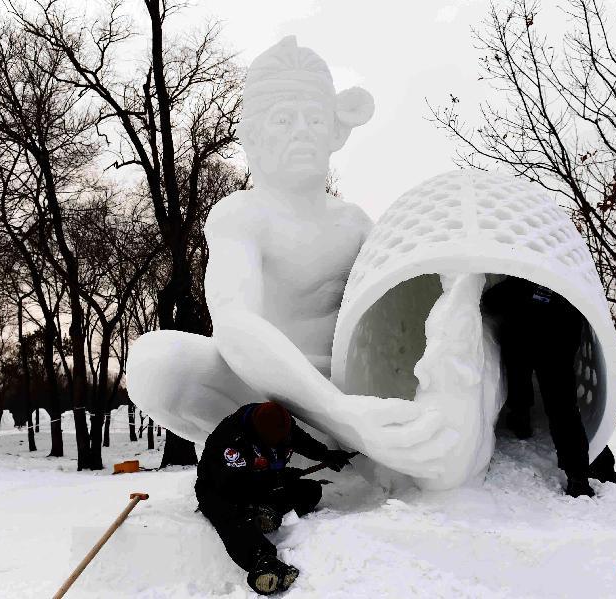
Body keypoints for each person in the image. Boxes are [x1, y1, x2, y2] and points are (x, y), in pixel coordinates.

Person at [126, 36, 453, 480]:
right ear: (252, 136)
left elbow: (407, 310)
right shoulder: (241, 215)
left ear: (336, 133)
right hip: (267, 393)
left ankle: (353, 457)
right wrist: (336, 411)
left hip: (352, 390)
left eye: (315, 118)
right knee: (154, 362)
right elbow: (236, 324)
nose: (301, 130)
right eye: (283, 119)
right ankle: (253, 455)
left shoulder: (357, 225)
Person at [482, 276, 616, 500]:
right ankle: (577, 478)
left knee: (523, 383)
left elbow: (490, 302)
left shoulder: (520, 282)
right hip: (555, 347)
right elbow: (580, 320)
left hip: (527, 341)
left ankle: (521, 418)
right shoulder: (566, 285)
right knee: (562, 408)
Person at [196, 400, 354, 595]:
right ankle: (262, 561)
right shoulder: (231, 440)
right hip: (221, 488)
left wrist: (327, 455)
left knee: (311, 490)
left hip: (260, 484)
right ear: (258, 433)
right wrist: (274, 477)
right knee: (231, 515)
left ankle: (267, 514)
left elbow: (303, 442)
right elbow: (231, 484)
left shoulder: (282, 423)